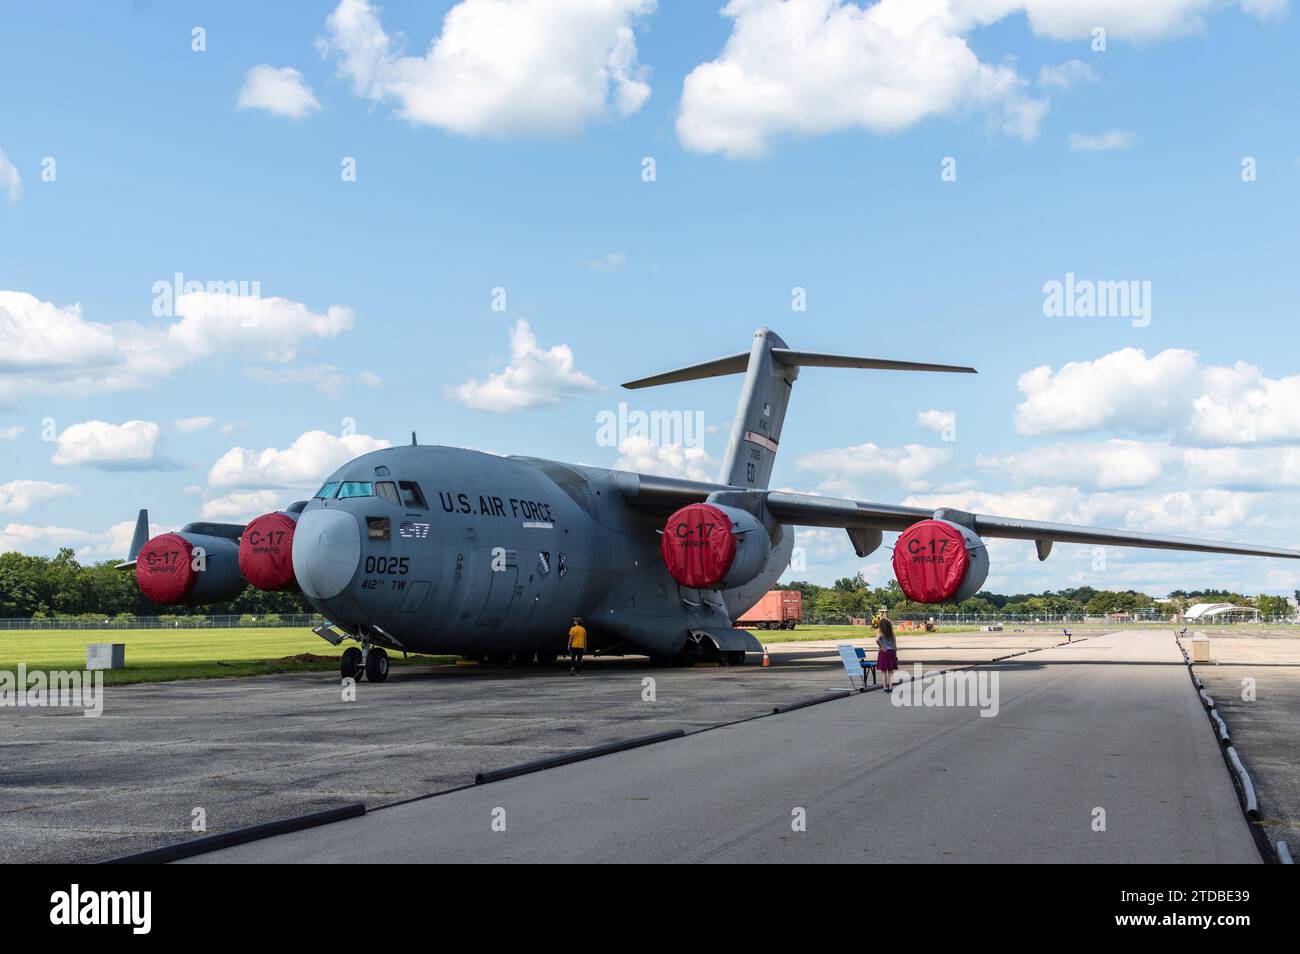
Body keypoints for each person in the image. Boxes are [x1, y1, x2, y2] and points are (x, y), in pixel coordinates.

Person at [875, 616, 899, 693]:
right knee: (891, 671)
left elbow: (877, 640)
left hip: (883, 653)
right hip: (891, 652)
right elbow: (895, 646)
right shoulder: (892, 634)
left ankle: (885, 687)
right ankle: (891, 687)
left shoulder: (880, 633)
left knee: (883, 671)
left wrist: (881, 646)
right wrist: (895, 655)